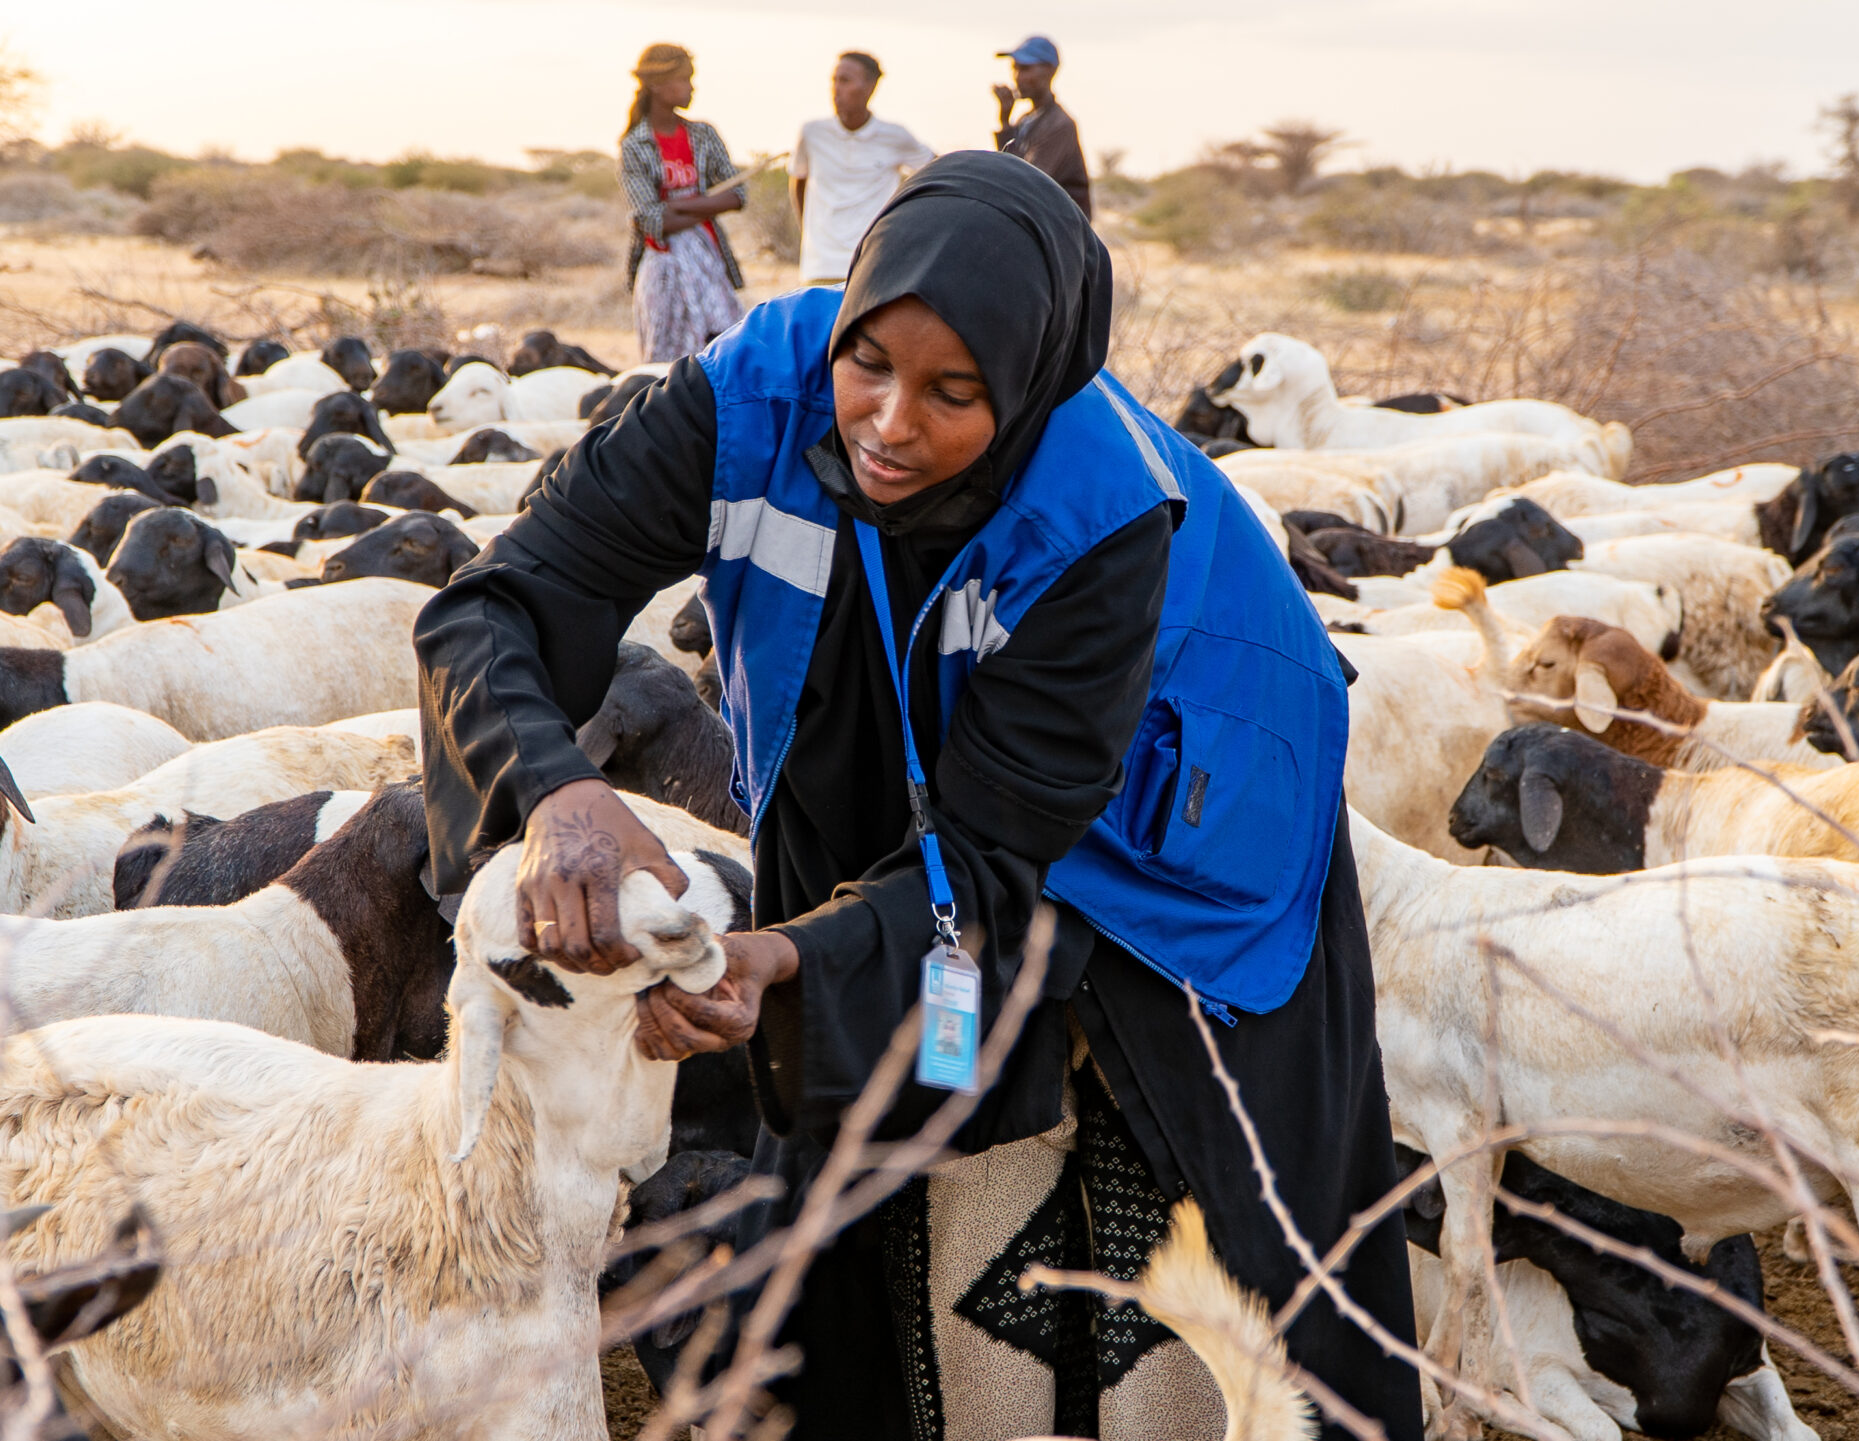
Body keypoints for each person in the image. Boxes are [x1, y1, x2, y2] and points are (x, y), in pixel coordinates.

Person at [417, 152, 1417, 1439]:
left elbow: (996, 848)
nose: (888, 424)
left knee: (1215, 1178)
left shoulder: (1102, 513)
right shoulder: (745, 397)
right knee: (861, 1131)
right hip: (887, 704)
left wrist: (793, 954)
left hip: (1183, 786)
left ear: (1030, 382)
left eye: (954, 393)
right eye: (869, 363)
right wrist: (557, 789)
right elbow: (496, 604)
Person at [620, 43, 747, 363]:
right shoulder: (635, 145)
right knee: (667, 359)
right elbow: (653, 221)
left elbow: (737, 195)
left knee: (722, 345)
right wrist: (706, 205)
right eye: (684, 79)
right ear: (657, 84)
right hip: (662, 262)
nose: (692, 87)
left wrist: (679, 206)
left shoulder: (703, 135)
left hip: (708, 258)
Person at [790, 52, 934, 286]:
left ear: (870, 87)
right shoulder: (812, 133)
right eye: (834, 80)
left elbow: (937, 170)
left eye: (845, 80)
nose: (836, 88)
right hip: (821, 266)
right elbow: (799, 181)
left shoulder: (895, 136)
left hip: (874, 263)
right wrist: (809, 235)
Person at [993, 35, 1090, 216]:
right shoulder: (1027, 120)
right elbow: (1009, 171)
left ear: (1050, 71)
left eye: (1025, 69)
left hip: (1060, 224)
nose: (1018, 77)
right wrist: (1005, 122)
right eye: (1015, 68)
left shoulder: (1060, 125)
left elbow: (1027, 180)